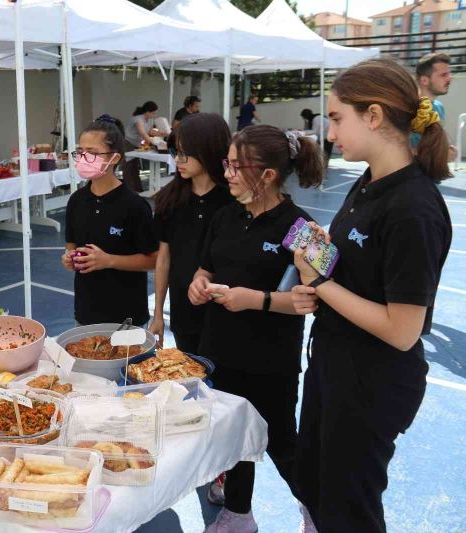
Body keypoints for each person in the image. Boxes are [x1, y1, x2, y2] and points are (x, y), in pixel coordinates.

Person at [290, 58, 452, 533]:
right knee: (316, 490)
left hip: (370, 386)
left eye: (338, 118)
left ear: (375, 116)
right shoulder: (368, 183)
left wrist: (321, 283)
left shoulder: (414, 208)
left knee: (349, 511)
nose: (331, 132)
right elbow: (362, 273)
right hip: (333, 368)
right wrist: (322, 259)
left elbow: (402, 332)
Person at [188, 125, 324, 533]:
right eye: (226, 164)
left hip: (270, 359)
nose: (226, 173)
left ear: (267, 174)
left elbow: (318, 298)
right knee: (232, 437)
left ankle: (316, 510)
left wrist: (256, 299)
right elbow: (205, 266)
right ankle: (237, 513)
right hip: (220, 350)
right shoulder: (224, 215)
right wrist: (198, 283)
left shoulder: (305, 227)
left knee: (281, 442)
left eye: (235, 166)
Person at [150, 113, 233, 354]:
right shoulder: (169, 199)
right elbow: (163, 259)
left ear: (210, 150)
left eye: (185, 153)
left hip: (224, 312)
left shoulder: (233, 202)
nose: (178, 160)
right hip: (183, 311)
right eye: (175, 152)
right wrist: (158, 314)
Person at [62, 118, 158, 326]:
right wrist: (69, 258)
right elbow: (71, 247)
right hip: (86, 313)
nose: (84, 157)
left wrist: (108, 260)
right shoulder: (76, 201)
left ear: (114, 158)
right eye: (80, 152)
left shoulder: (134, 206)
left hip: (126, 316)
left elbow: (154, 260)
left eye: (93, 152)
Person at [413, 52, 456, 161]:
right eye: (443, 75)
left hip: (432, 175)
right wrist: (440, 154)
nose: (449, 79)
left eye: (449, 74)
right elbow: (401, 149)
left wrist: (448, 150)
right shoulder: (409, 107)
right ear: (424, 80)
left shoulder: (438, 107)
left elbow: (438, 142)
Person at [123, 101, 160, 192]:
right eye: (153, 113)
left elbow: (151, 132)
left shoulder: (148, 120)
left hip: (135, 144)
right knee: (129, 168)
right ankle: (130, 191)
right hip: (128, 143)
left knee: (135, 168)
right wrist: (154, 143)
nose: (155, 115)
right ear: (147, 111)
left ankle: (138, 189)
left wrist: (166, 133)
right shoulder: (138, 119)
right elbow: (142, 133)